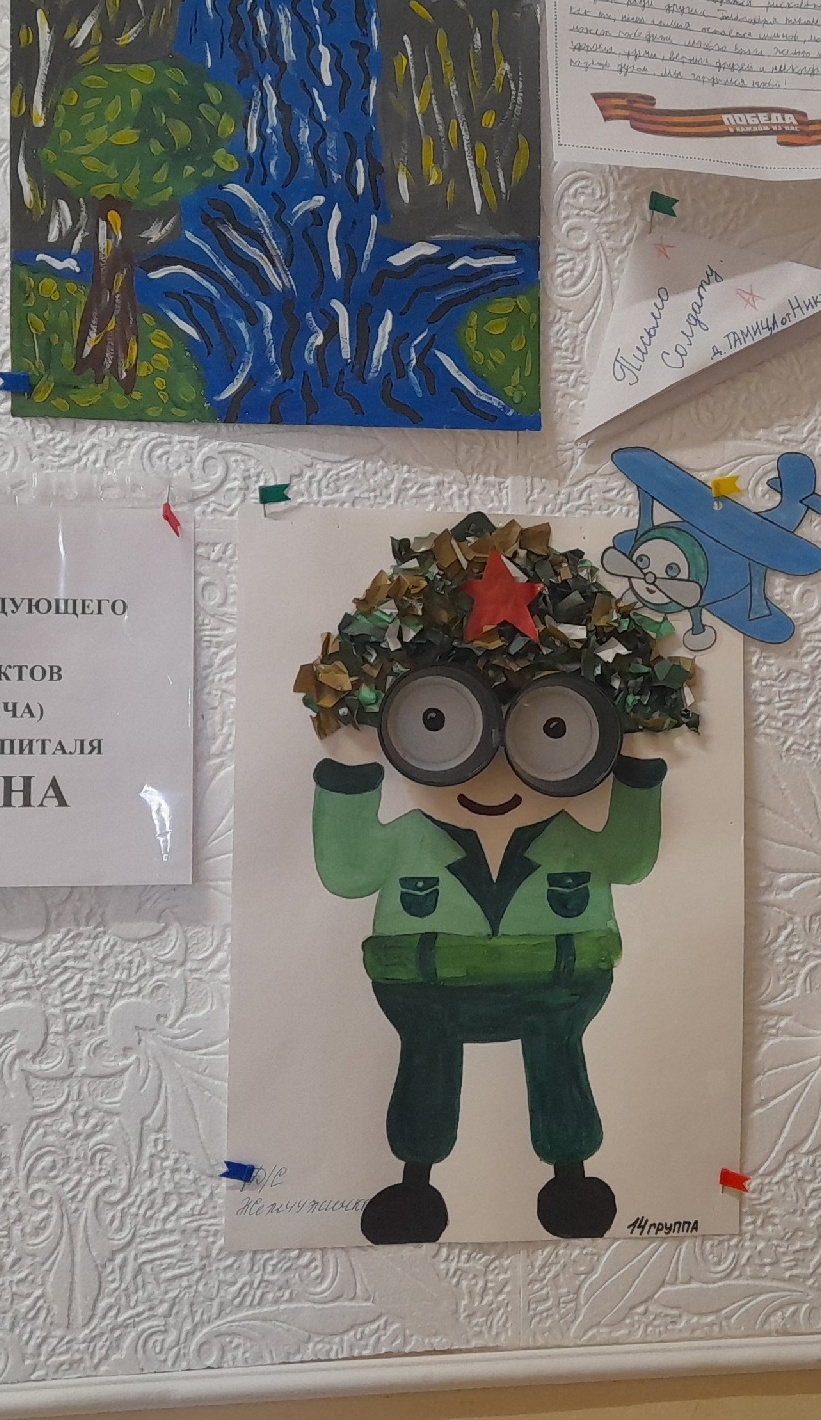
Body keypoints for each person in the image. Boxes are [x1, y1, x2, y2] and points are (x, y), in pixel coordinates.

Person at [296, 515, 697, 1244]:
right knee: (427, 1065)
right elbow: (348, 871)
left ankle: (570, 1177)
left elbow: (630, 860)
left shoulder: (567, 836)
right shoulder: (413, 837)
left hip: (557, 986)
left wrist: (636, 771)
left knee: (557, 1061)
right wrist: (350, 769)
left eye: (553, 732)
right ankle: (415, 1185)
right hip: (427, 991)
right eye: (437, 726)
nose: (491, 770)